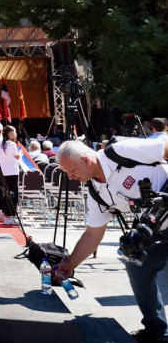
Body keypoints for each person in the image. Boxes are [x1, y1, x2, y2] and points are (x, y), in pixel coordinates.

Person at [54, 138, 168, 343]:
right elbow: (92, 234)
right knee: (137, 265)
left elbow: (165, 145)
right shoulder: (96, 193)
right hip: (156, 227)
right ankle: (157, 333)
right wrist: (69, 264)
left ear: (87, 160)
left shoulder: (121, 152)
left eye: (71, 170)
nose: (71, 177)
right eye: (67, 173)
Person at [0, 125, 21, 225]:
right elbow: (17, 157)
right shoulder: (12, 144)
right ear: (10, 133)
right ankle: (9, 216)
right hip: (12, 171)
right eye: (14, 132)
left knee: (7, 192)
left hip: (3, 171)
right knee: (13, 194)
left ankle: (4, 212)